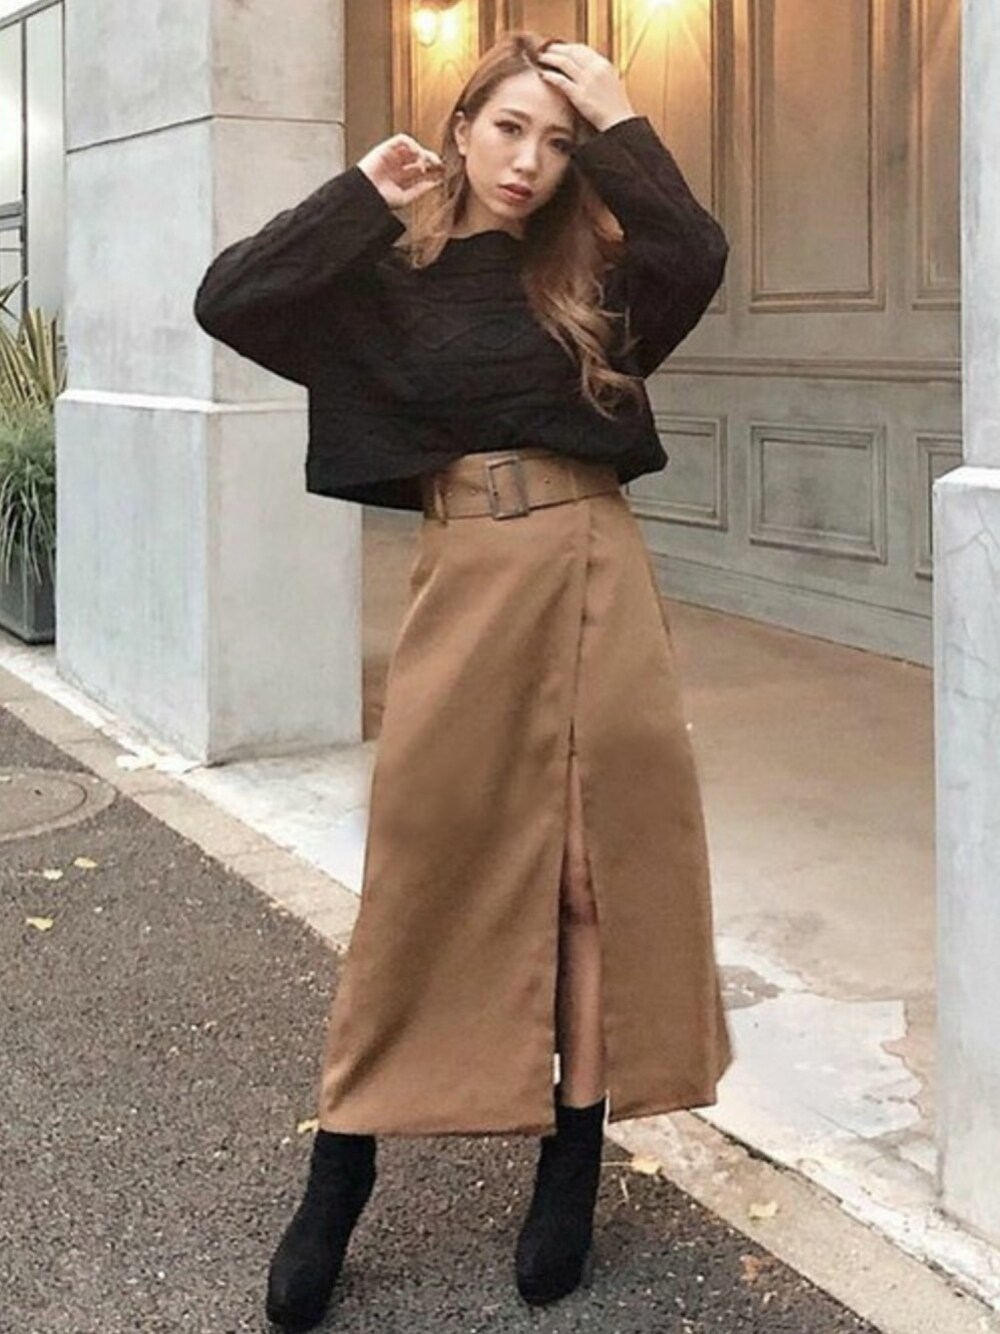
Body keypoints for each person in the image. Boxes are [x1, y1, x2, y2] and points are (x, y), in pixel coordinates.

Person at [194, 30, 735, 1332]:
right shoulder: (393, 274)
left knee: (595, 877)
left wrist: (619, 121)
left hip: (597, 567)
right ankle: (341, 1168)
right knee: (423, 866)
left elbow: (698, 254)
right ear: (459, 125)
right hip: (470, 573)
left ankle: (572, 1154)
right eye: (508, 129)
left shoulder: (595, 276)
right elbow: (232, 300)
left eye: (556, 142)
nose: (529, 163)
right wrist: (358, 195)